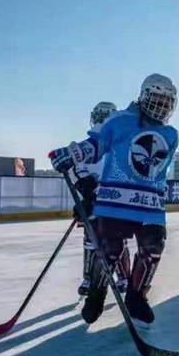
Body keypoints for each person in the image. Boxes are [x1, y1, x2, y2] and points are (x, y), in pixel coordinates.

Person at [49, 73, 179, 327]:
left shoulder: (171, 134)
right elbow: (96, 145)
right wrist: (72, 154)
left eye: (166, 103)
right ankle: (97, 293)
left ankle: (136, 297)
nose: (161, 106)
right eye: (157, 99)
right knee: (108, 250)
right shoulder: (119, 121)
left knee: (153, 247)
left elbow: (154, 169)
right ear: (143, 95)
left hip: (150, 206)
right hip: (114, 202)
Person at [73, 102, 133, 297]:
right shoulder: (115, 145)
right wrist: (88, 191)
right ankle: (121, 278)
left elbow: (79, 171)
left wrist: (87, 190)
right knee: (111, 238)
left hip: (106, 201)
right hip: (109, 202)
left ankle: (91, 278)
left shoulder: (106, 145)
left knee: (97, 239)